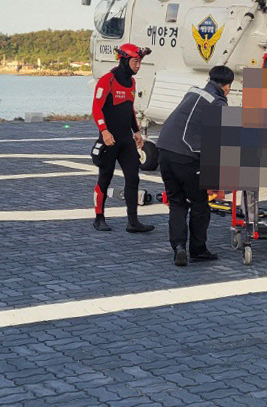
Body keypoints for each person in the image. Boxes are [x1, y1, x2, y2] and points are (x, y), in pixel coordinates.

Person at [157, 65, 234, 266]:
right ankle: (198, 250)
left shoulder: (193, 92)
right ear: (226, 86)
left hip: (164, 150)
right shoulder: (218, 104)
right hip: (186, 156)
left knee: (177, 203)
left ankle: (179, 247)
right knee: (200, 204)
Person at [92, 43, 154, 233]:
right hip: (109, 140)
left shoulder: (132, 83)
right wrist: (104, 131)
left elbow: (129, 110)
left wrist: (136, 132)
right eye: (136, 61)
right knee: (105, 177)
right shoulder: (107, 80)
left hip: (126, 140)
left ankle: (133, 222)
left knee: (133, 178)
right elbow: (96, 108)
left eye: (140, 62)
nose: (138, 65)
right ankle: (99, 218)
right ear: (125, 61)